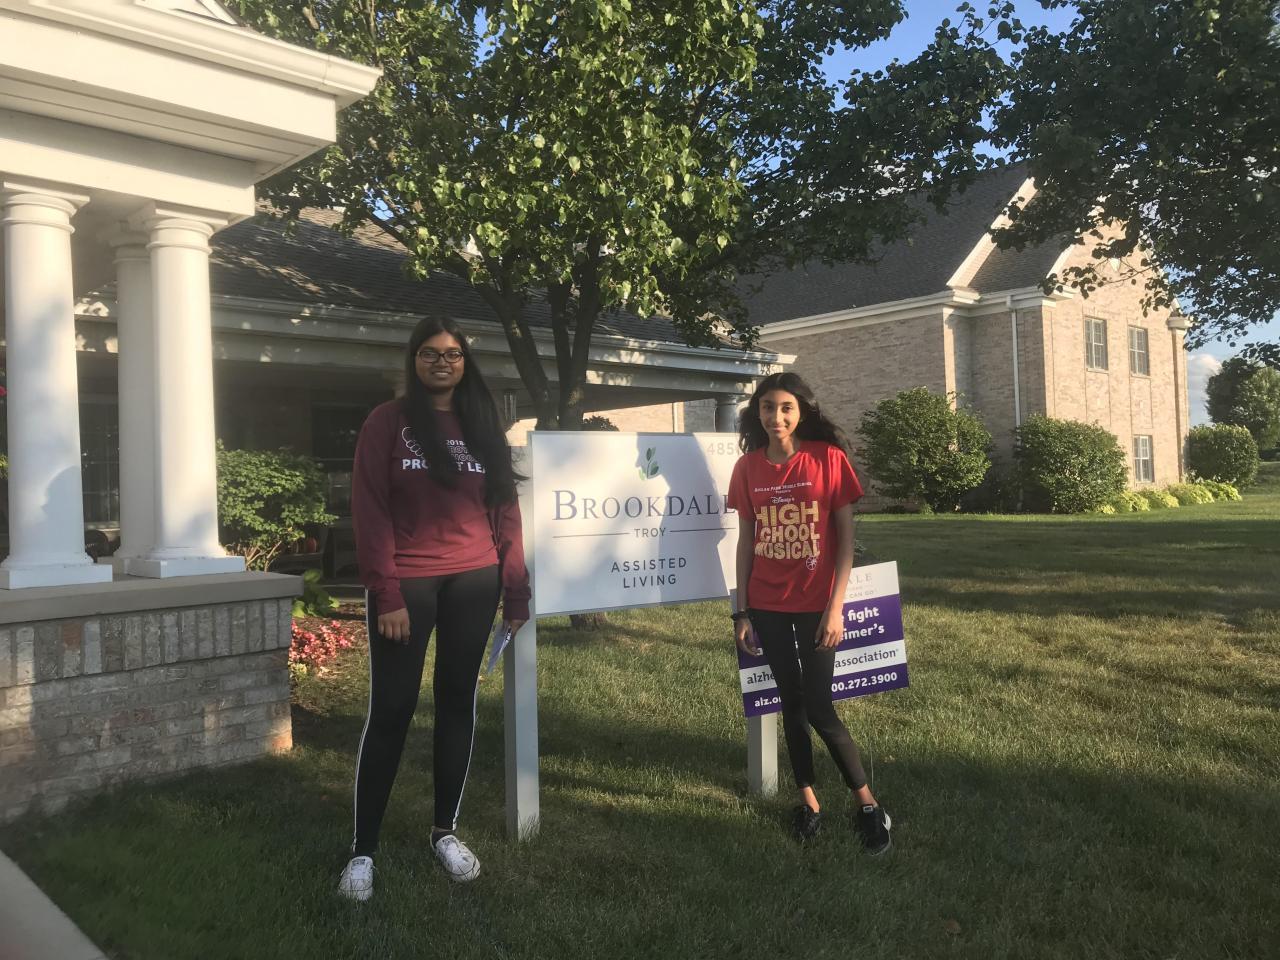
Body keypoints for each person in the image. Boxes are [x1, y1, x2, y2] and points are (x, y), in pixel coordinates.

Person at [337, 315, 530, 901]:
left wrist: (515, 590)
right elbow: (369, 509)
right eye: (430, 353)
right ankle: (363, 849)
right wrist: (386, 592)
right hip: (408, 584)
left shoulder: (481, 425)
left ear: (464, 363)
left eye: (452, 354)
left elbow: (505, 512)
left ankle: (444, 831)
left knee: (456, 702)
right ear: (414, 360)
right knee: (392, 710)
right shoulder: (388, 422)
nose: (442, 362)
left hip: (475, 579)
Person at [726, 371, 890, 853]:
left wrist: (835, 608)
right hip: (767, 604)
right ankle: (810, 803)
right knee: (790, 704)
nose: (775, 417)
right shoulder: (747, 468)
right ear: (756, 413)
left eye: (785, 408)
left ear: (801, 412)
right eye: (767, 407)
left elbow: (845, 541)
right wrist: (742, 612)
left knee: (819, 706)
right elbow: (746, 542)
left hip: (817, 605)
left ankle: (868, 805)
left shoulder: (827, 459)